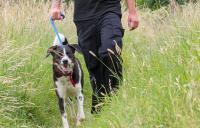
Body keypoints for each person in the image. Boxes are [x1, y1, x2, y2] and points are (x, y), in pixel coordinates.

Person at [50, 0, 139, 114]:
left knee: (110, 51)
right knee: (93, 64)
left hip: (109, 10)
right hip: (83, 17)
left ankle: (116, 95)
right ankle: (101, 105)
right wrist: (55, 6)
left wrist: (132, 12)